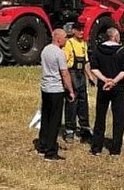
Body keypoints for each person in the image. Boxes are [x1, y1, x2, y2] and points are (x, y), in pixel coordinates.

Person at [89, 27, 124, 156]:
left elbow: (94, 68)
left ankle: (96, 147)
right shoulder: (122, 51)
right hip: (118, 88)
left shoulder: (98, 51)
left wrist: (104, 79)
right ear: (115, 37)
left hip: (102, 87)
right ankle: (115, 148)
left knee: (100, 117)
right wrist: (114, 81)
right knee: (119, 117)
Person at [34, 28, 74, 161]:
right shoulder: (59, 53)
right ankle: (50, 152)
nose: (66, 40)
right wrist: (71, 90)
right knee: (55, 121)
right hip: (56, 89)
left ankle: (42, 145)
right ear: (58, 38)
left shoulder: (45, 50)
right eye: (64, 37)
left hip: (45, 88)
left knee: (46, 117)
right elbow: (64, 73)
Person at [62, 22, 94, 143]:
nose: (81, 32)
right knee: (71, 102)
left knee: (83, 102)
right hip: (72, 74)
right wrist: (66, 81)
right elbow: (64, 63)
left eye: (83, 30)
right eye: (79, 30)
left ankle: (84, 128)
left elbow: (85, 63)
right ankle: (70, 130)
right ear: (73, 31)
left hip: (81, 75)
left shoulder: (84, 44)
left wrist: (90, 76)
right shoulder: (69, 44)